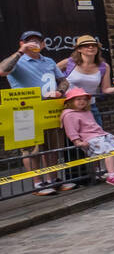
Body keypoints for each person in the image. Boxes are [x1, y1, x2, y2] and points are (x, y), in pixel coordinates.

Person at [1, 29, 73, 194]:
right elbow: (2, 71)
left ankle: (53, 180)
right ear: (22, 43)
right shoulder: (17, 60)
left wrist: (60, 92)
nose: (34, 44)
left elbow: (63, 80)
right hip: (25, 109)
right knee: (31, 150)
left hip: (49, 108)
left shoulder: (48, 61)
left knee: (53, 147)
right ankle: (38, 184)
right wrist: (21, 52)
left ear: (42, 44)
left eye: (37, 41)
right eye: (29, 41)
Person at [60, 88, 114, 187]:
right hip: (90, 138)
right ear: (71, 101)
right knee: (108, 152)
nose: (82, 101)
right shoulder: (68, 115)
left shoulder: (87, 112)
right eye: (78, 99)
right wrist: (77, 142)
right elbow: (71, 130)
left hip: (101, 134)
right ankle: (112, 176)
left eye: (84, 99)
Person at [58, 35, 113, 126]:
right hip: (70, 107)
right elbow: (49, 74)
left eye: (94, 45)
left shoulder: (104, 66)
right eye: (86, 45)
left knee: (97, 133)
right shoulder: (68, 63)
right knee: (74, 136)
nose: (91, 47)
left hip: (90, 106)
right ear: (79, 49)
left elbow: (105, 89)